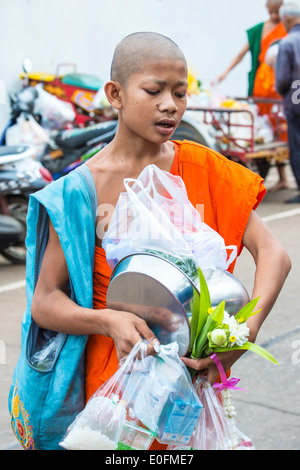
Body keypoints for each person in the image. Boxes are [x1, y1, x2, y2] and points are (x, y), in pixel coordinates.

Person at [16, 32, 291, 450]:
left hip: (192, 387)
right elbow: (45, 300)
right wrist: (107, 320)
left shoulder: (203, 168)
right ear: (116, 94)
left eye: (180, 93)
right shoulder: (79, 192)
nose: (170, 104)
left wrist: (243, 334)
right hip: (113, 391)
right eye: (154, 90)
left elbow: (275, 253)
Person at [215, 0, 289, 192]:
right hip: (260, 87)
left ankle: (283, 177)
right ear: (266, 9)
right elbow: (241, 54)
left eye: (277, 12)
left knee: (280, 130)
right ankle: (276, 177)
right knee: (265, 131)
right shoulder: (258, 30)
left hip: (280, 87)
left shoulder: (287, 27)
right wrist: (225, 73)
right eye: (271, 12)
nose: (274, 16)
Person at [276, 2, 300, 203]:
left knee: (297, 147)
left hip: (296, 103)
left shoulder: (287, 43)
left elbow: (283, 80)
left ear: (287, 20)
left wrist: (281, 91)